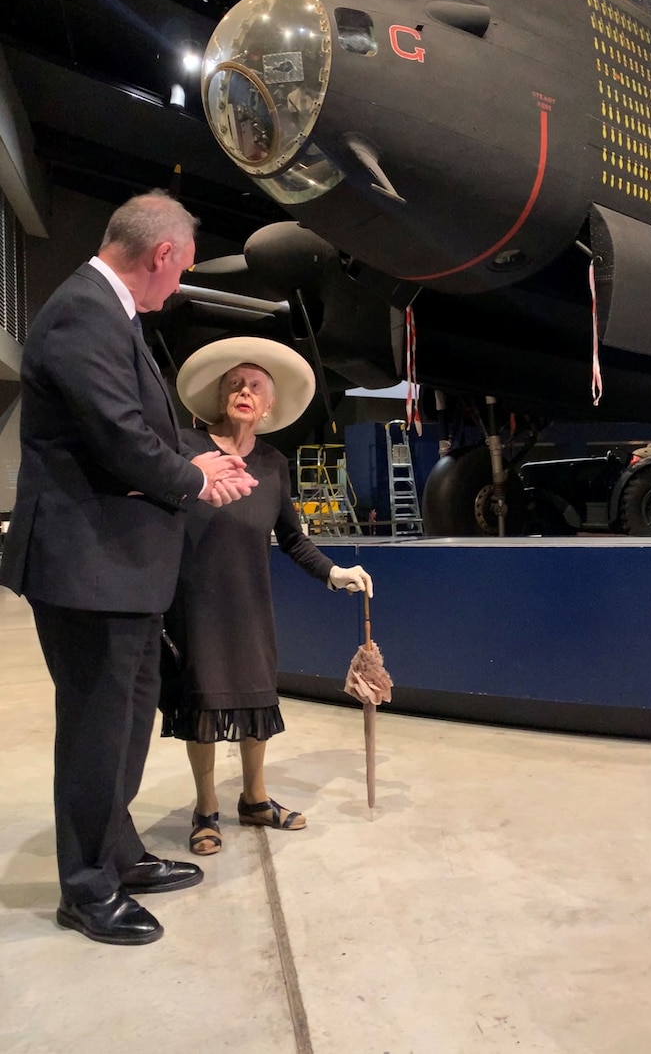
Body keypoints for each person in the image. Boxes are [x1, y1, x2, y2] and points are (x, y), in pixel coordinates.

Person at [0, 191, 258, 946]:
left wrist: (196, 455)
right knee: (95, 727)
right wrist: (196, 478)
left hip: (122, 567)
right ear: (163, 256)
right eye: (178, 276)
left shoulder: (113, 316)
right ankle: (85, 887)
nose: (176, 291)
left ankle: (116, 852)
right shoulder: (84, 311)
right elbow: (117, 435)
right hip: (88, 565)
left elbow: (147, 424)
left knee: (128, 716)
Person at [160, 336, 373, 855]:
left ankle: (254, 800)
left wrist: (333, 572)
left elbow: (293, 538)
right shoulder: (187, 450)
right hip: (193, 602)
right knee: (202, 706)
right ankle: (205, 808)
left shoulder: (274, 465)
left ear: (270, 405)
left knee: (257, 698)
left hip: (251, 604)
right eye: (234, 383)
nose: (244, 390)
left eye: (255, 385)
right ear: (219, 396)